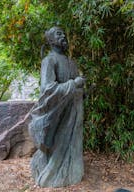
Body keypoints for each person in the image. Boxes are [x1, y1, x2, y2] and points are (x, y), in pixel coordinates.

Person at [29, 26, 85, 187]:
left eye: (63, 33)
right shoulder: (49, 60)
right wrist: (73, 84)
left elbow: (77, 85)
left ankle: (72, 172)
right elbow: (47, 88)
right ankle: (52, 175)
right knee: (57, 145)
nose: (63, 36)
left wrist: (81, 88)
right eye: (58, 34)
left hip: (74, 111)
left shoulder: (71, 62)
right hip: (58, 113)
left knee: (73, 145)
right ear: (50, 40)